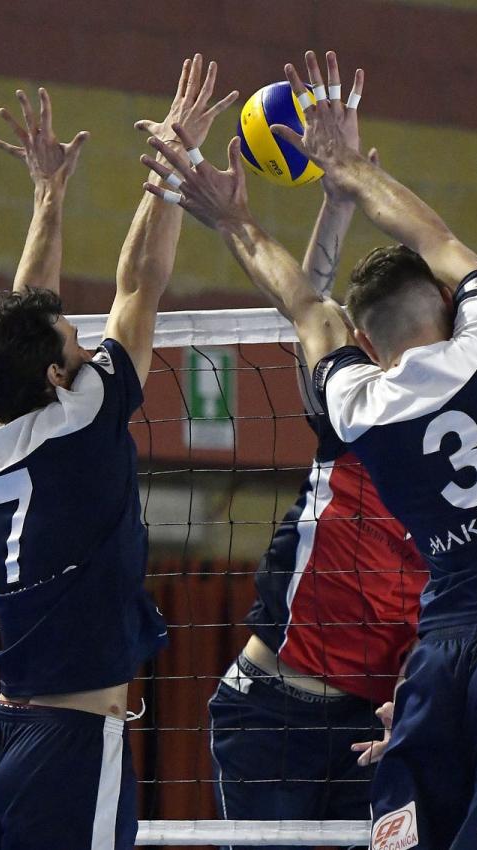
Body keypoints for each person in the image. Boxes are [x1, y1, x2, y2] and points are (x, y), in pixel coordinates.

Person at [143, 48, 477, 850]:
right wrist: (351, 172)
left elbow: (306, 305)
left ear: (368, 341)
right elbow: (434, 233)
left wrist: (234, 220)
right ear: (451, 305)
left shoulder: (363, 407)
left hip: (434, 668)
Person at [0, 57, 235, 849]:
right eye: (71, 343)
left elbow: (26, 311)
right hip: (69, 749)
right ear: (52, 375)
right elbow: (138, 284)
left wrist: (49, 197)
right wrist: (173, 163)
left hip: (2, 740)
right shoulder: (82, 422)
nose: (84, 340)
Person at [193, 67, 427, 845]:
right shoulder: (356, 414)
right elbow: (311, 305)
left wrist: (416, 709)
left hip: (370, 729)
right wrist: (337, 201)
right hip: (272, 713)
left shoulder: (467, 479)